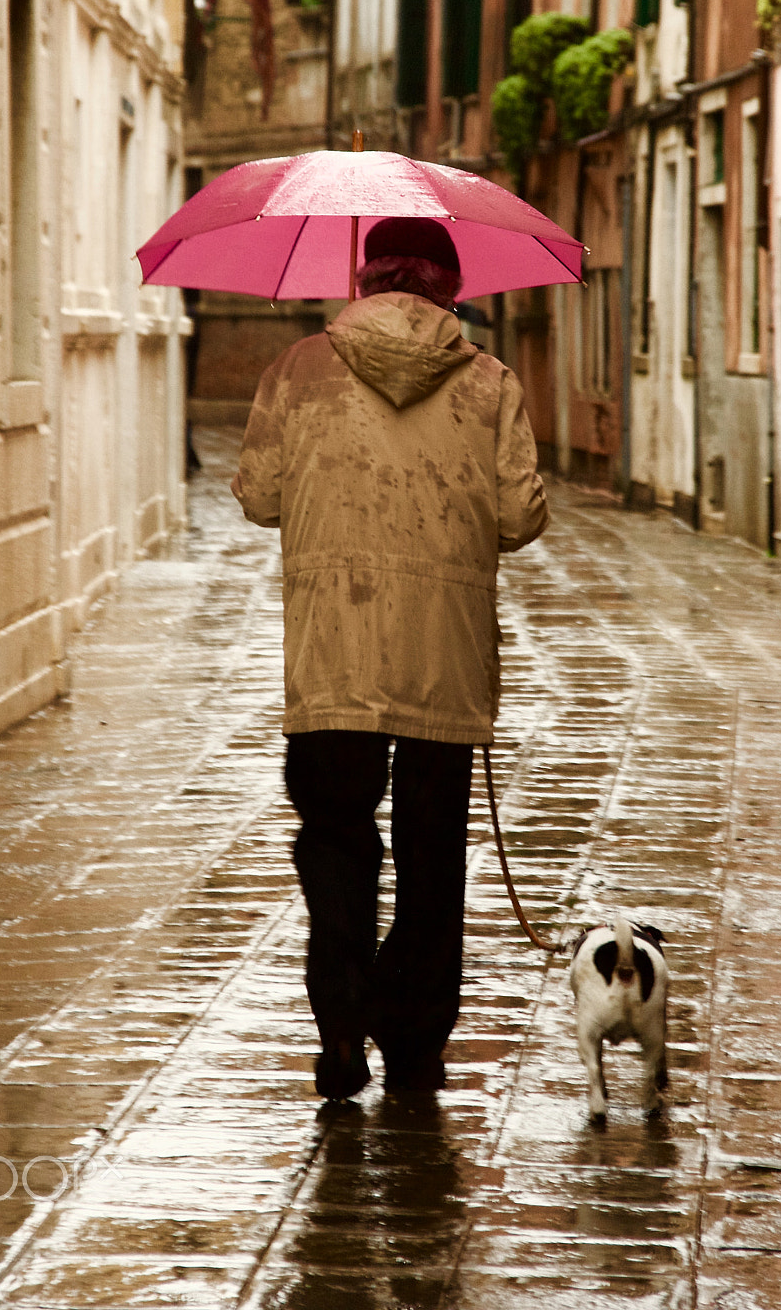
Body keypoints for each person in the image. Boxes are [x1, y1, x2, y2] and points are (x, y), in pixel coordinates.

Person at [232, 216, 548, 1100]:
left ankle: (339, 1027)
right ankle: (413, 1042)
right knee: (431, 851)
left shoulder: (298, 370)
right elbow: (521, 518)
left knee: (334, 841)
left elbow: (259, 498)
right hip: (443, 658)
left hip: (332, 652)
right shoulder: (489, 381)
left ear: (366, 281)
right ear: (450, 288)